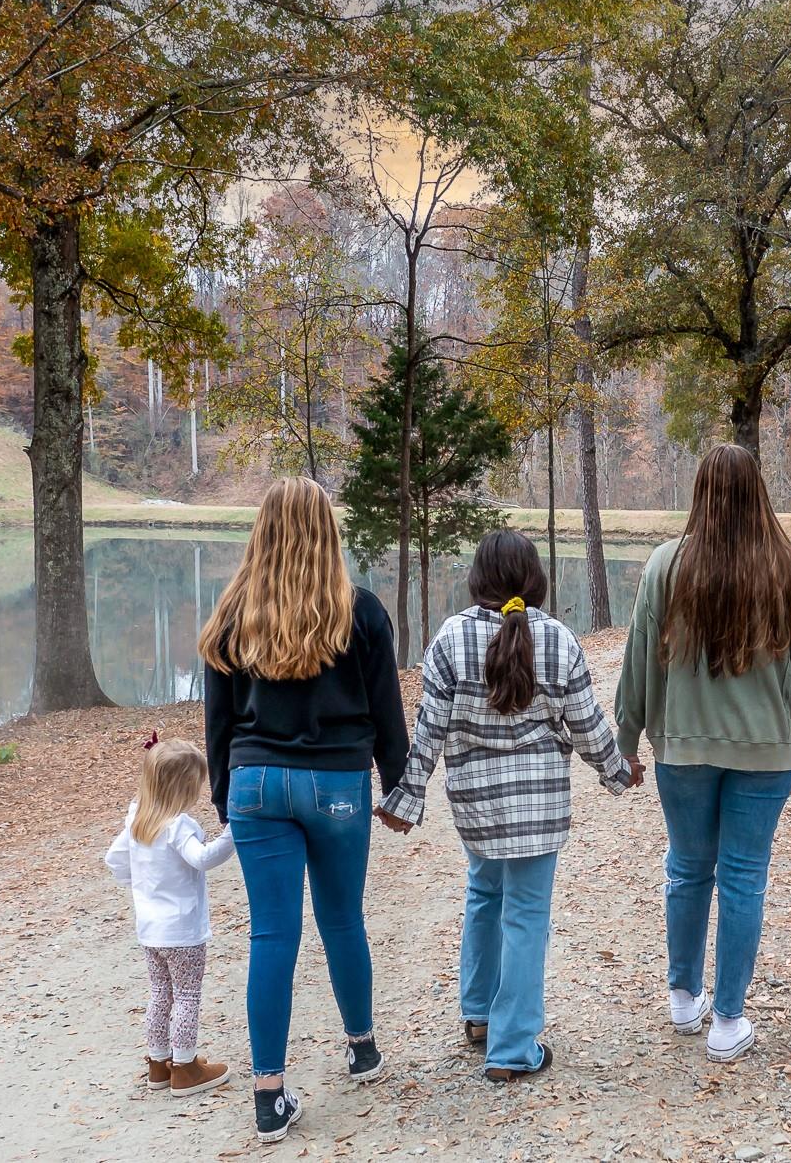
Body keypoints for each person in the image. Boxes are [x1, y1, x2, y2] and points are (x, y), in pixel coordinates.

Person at [374, 529, 636, 1083]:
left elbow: (429, 732)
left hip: (477, 806)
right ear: (533, 579)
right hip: (538, 808)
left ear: (478, 579)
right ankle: (513, 1046)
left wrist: (406, 797)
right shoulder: (559, 640)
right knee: (525, 915)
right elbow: (587, 728)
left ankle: (478, 1015)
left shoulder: (448, 639)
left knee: (483, 893)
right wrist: (619, 770)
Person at [201, 477, 408, 1145]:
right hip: (337, 784)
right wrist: (399, 788)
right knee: (343, 917)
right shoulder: (362, 611)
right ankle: (362, 1048)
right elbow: (387, 714)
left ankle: (268, 1095)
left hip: (256, 781)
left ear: (261, 530)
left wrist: (223, 797)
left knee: (272, 934)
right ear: (329, 530)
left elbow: (219, 719)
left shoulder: (234, 613)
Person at [613, 442, 791, 1063]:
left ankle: (684, 997)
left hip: (682, 748)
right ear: (756, 491)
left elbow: (638, 664)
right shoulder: (788, 568)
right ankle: (728, 1021)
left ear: (699, 493)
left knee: (688, 866)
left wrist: (627, 741)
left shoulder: (665, 565)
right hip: (770, 749)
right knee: (743, 874)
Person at [104, 735, 238, 1098]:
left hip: (150, 931)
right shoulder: (178, 827)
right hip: (183, 932)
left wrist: (141, 885)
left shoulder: (138, 820)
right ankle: (185, 1067)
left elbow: (114, 860)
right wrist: (233, 833)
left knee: (160, 993)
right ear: (183, 788)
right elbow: (203, 858)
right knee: (188, 996)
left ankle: (157, 1063)